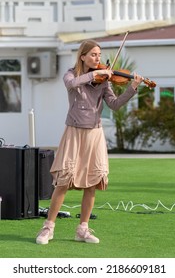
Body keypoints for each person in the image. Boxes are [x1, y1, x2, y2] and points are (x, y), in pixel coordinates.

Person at [36, 39, 143, 245]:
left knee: (92, 183)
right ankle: (48, 228)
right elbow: (70, 84)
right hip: (74, 133)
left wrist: (132, 88)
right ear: (82, 56)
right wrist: (94, 74)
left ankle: (82, 230)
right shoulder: (72, 74)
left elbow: (114, 105)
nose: (98, 58)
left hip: (95, 134)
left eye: (99, 55)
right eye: (93, 54)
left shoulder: (105, 81)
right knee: (63, 182)